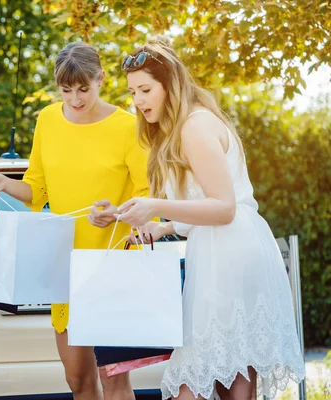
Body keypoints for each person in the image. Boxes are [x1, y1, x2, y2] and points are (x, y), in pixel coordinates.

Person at [116, 35, 305, 400]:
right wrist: (162, 227)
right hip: (217, 251)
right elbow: (202, 206)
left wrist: (157, 206)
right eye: (132, 93)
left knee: (206, 380)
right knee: (227, 377)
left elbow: (224, 207)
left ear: (169, 86)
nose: (137, 101)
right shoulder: (179, 130)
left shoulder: (195, 127)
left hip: (232, 254)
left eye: (144, 90)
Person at [0, 42, 149, 400]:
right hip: (65, 269)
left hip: (112, 263)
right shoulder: (47, 120)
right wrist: (4, 182)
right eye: (66, 90)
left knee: (114, 381)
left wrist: (117, 215)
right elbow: (37, 189)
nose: (75, 98)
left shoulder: (128, 127)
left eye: (83, 88)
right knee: (78, 381)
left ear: (100, 79)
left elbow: (149, 198)